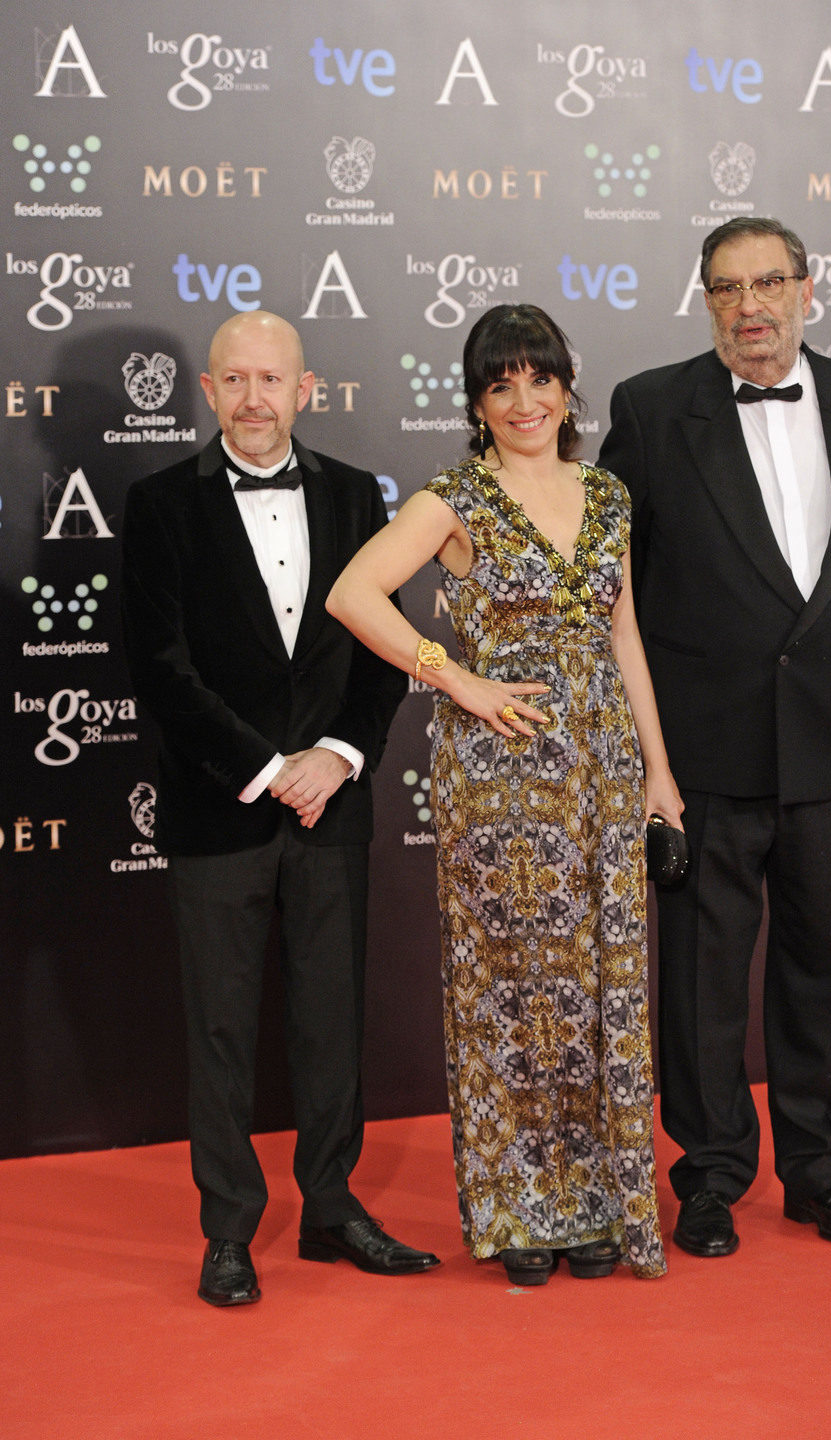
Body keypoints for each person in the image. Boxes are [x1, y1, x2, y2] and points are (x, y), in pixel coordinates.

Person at [325, 304, 683, 1284]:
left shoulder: (608, 495)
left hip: (603, 767)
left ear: (568, 388)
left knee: (602, 983)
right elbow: (354, 594)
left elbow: (624, 639)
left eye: (540, 380)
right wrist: (453, 675)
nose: (525, 402)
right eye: (501, 385)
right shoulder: (457, 498)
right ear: (477, 404)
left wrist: (658, 770)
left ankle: (598, 1199)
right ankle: (522, 1211)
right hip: (499, 776)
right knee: (515, 990)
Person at [121, 311, 439, 1306]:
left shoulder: (356, 495)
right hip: (220, 808)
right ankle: (229, 1233)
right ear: (208, 393)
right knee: (219, 1028)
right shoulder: (160, 503)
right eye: (235, 381)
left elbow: (385, 652)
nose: (254, 398)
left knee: (331, 1019)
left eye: (273, 380)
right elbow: (160, 670)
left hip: (332, 809)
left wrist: (339, 758)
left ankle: (333, 1209)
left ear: (306, 391)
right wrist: (268, 768)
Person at [599, 217, 831, 1258]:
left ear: (809, 290)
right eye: (726, 288)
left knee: (825, 968)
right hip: (705, 753)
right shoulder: (649, 409)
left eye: (769, 282)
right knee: (702, 983)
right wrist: (650, 764)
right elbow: (615, 589)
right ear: (706, 300)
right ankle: (711, 1176)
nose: (750, 306)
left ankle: (818, 1172)